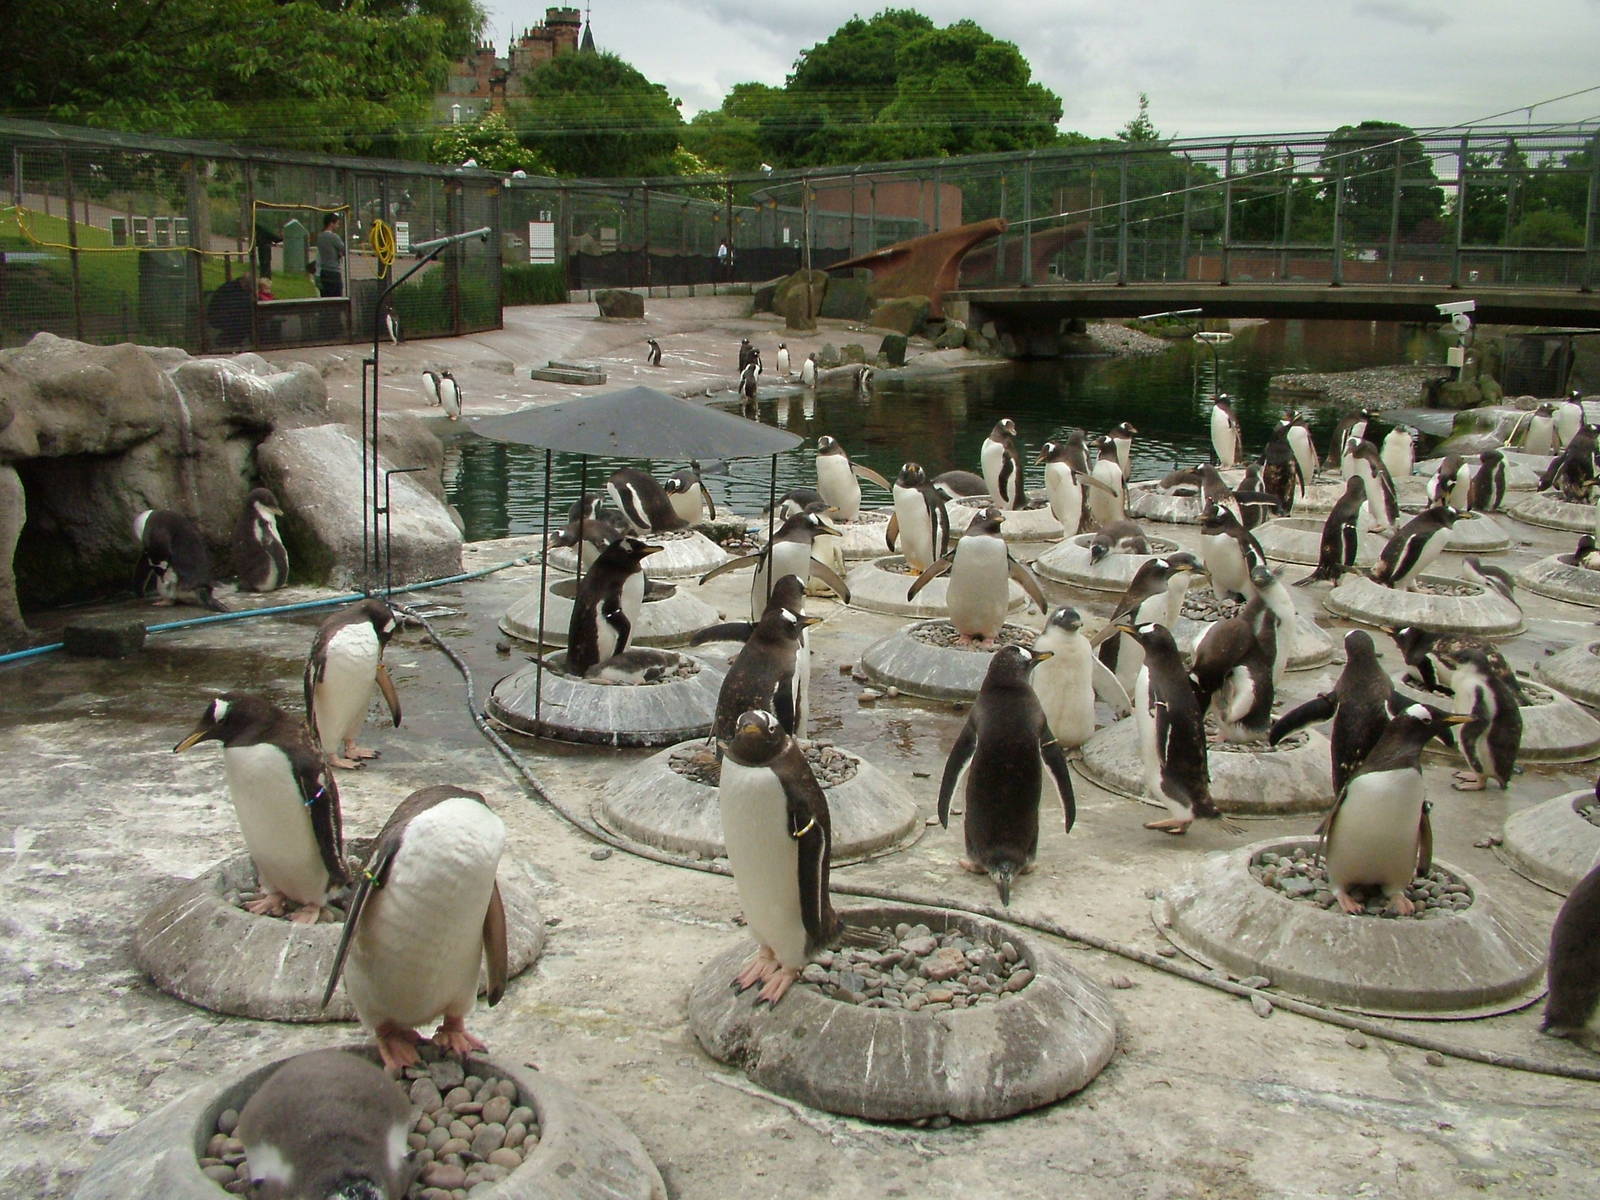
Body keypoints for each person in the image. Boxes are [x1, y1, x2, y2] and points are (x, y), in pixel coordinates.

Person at [316, 212, 345, 298]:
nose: (338, 226)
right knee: (336, 298)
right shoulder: (334, 237)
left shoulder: (320, 237)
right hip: (334, 272)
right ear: (331, 223)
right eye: (337, 223)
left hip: (323, 272)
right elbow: (344, 249)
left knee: (325, 298)